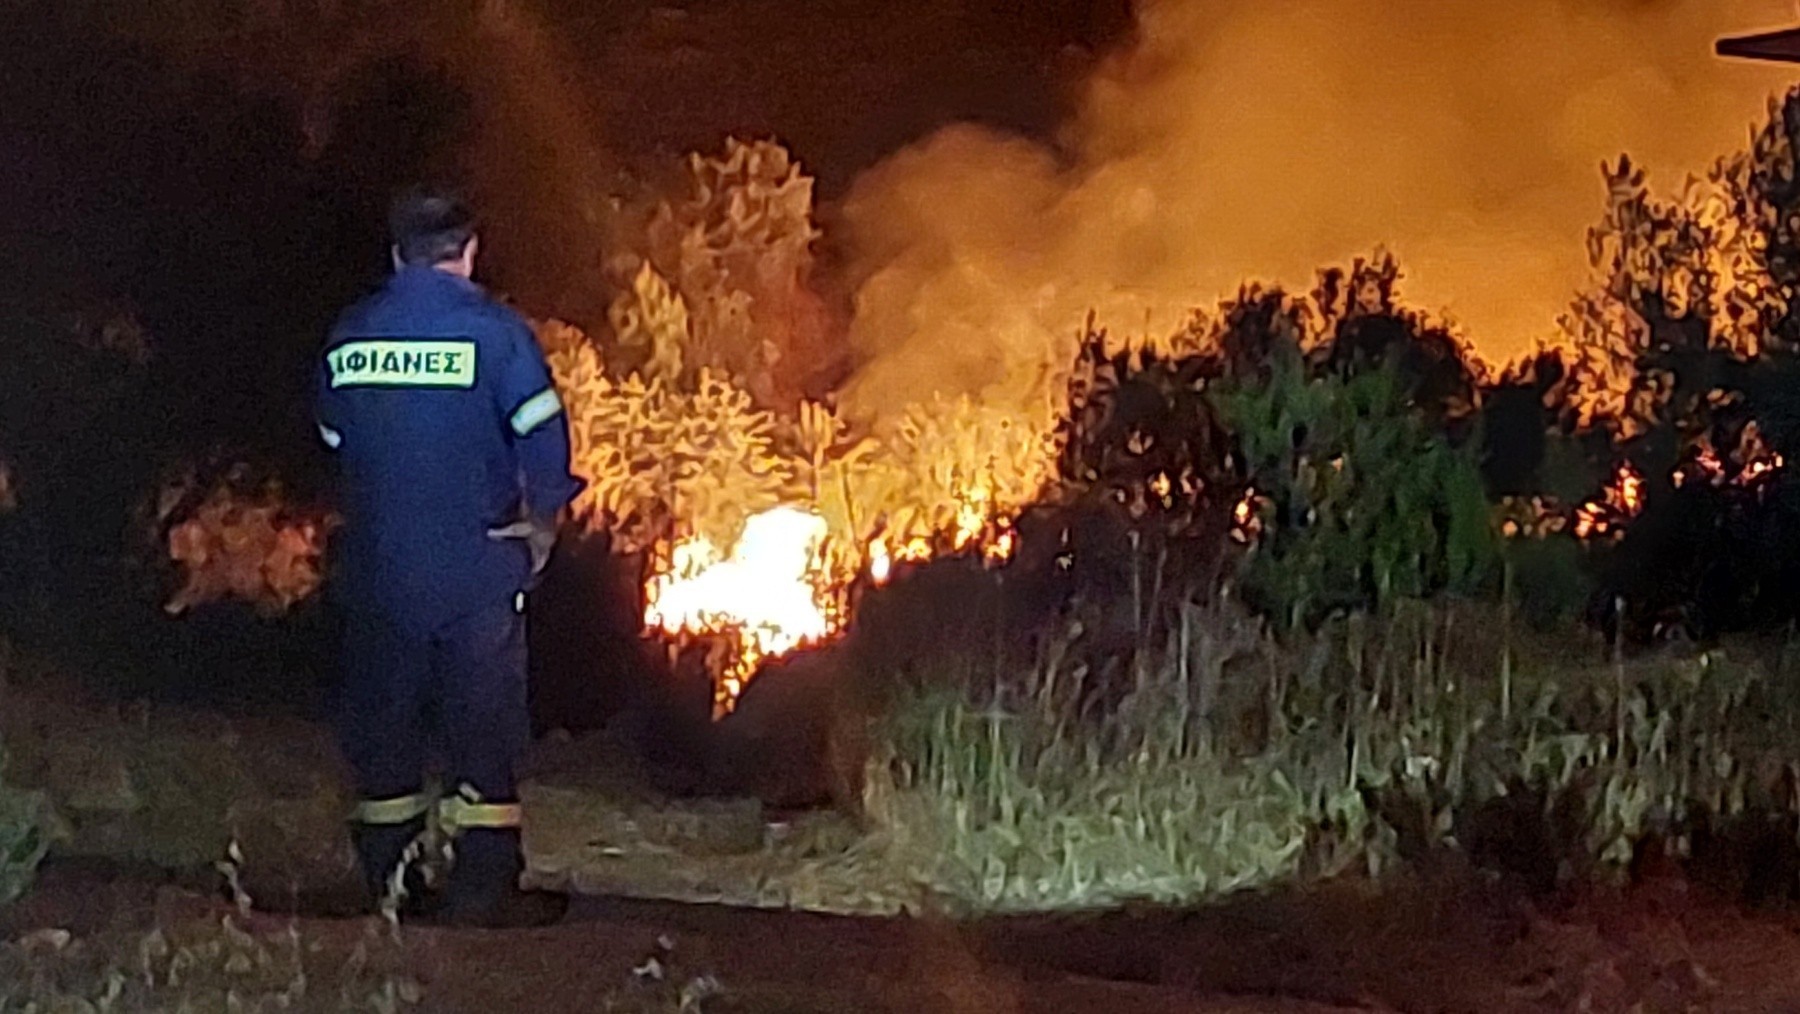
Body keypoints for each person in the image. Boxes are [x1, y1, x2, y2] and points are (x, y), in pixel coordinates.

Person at [313, 186, 582, 928]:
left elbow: (335, 438)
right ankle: (483, 888)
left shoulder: (352, 334)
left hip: (380, 569)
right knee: (482, 726)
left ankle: (390, 883)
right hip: (475, 570)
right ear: (468, 253)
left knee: (386, 726)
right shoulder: (496, 337)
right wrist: (539, 524)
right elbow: (545, 443)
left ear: (398, 253)